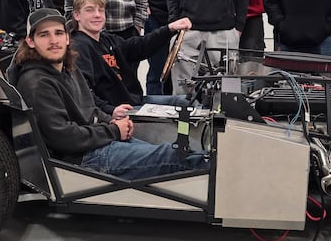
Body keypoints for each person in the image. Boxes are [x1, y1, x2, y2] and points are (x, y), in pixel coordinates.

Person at [14, 9, 206, 179]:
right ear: (30, 41)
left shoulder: (66, 68)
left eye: (58, 33)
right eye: (44, 35)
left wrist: (111, 122)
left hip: (96, 142)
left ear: (66, 38)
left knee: (178, 147)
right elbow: (62, 137)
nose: (53, 41)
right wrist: (113, 130)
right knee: (174, 156)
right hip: (83, 159)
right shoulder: (37, 82)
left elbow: (89, 109)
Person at [70, 0, 190, 113]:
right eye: (90, 10)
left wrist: (170, 29)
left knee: (186, 103)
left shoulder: (108, 40)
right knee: (185, 109)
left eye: (101, 10)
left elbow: (140, 46)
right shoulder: (79, 47)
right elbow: (84, 92)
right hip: (121, 112)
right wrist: (111, 110)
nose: (97, 15)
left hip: (135, 102)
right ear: (77, 15)